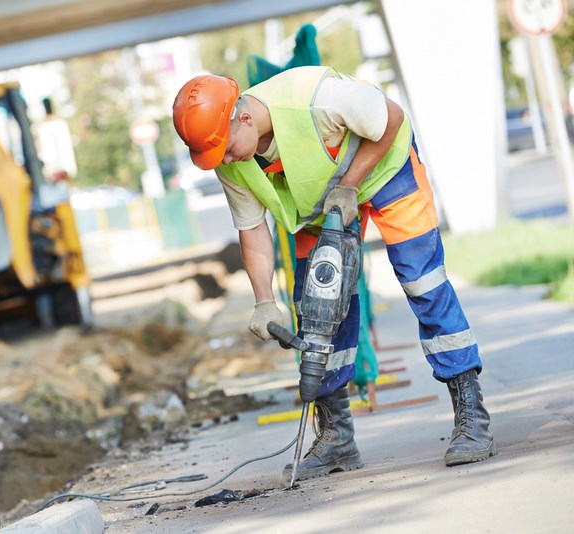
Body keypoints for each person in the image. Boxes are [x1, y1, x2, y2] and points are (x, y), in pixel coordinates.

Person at [171, 66, 494, 480]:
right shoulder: (228, 156)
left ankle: (471, 414)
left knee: (422, 281)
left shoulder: (316, 98)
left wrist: (352, 183)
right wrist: (264, 302)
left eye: (227, 149)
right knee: (317, 309)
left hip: (384, 171)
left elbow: (391, 119)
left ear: (245, 118)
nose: (227, 160)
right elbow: (252, 230)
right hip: (320, 206)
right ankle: (336, 439)